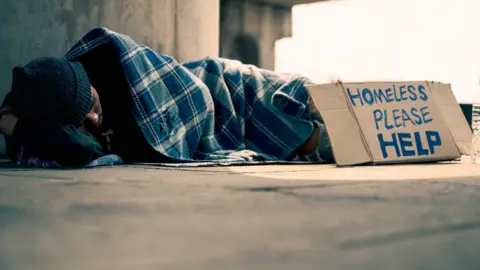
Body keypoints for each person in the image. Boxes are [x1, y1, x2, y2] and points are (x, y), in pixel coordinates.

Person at [0, 27, 333, 168]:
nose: (92, 121)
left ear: (89, 81)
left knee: (294, 98)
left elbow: (191, 93)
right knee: (308, 139)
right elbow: (78, 149)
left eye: (91, 105)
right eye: (79, 121)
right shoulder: (46, 121)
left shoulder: (115, 64)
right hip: (222, 130)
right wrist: (12, 126)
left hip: (218, 89)